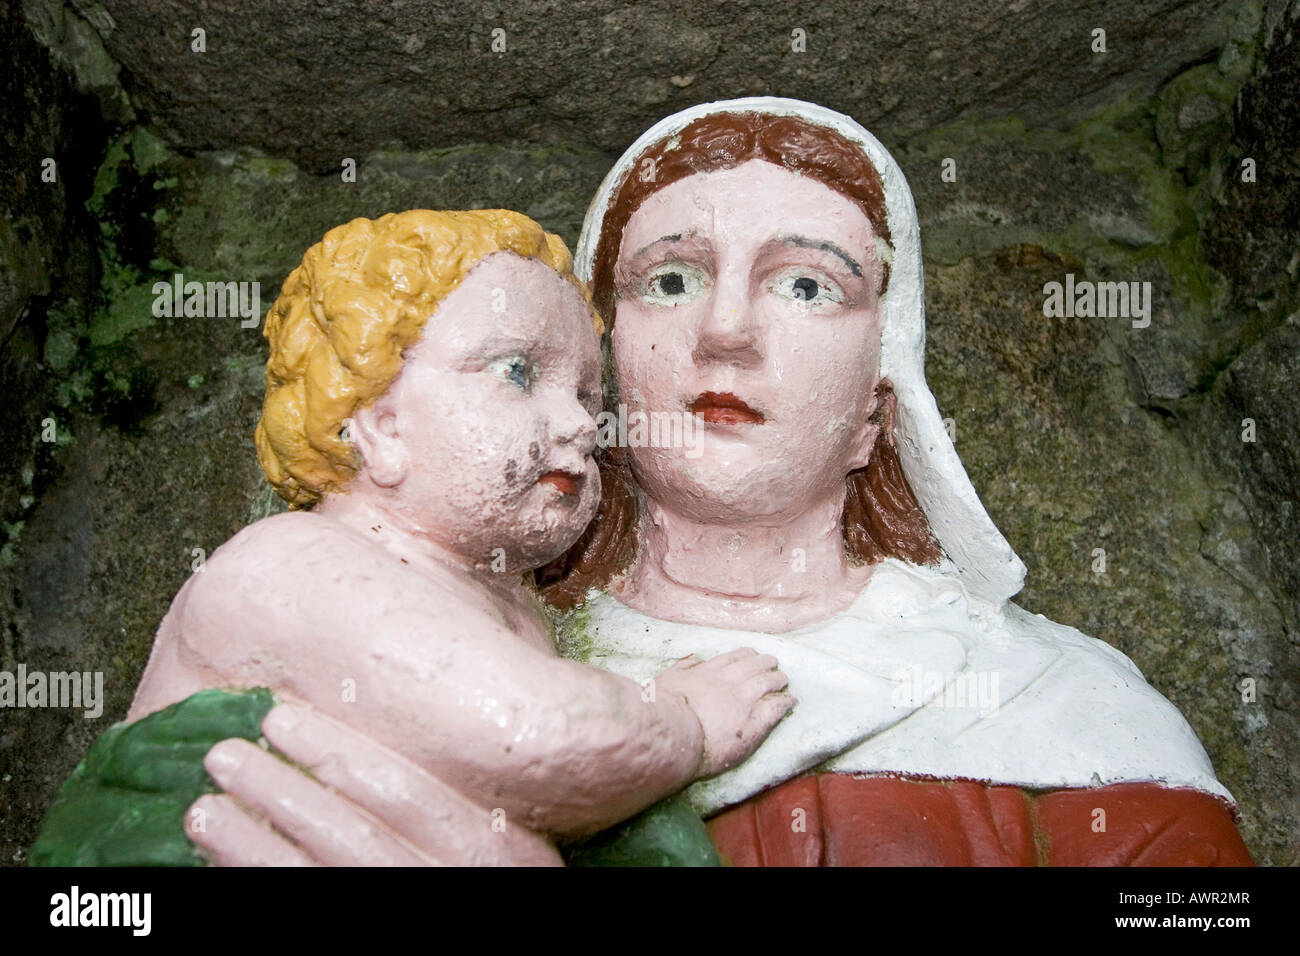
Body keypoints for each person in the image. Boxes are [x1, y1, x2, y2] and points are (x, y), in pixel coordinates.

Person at [187, 100, 1254, 866]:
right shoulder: (441, 642)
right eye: (669, 279)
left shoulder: (1063, 705)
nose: (725, 332)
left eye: (804, 284)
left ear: (879, 408)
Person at [120, 208, 792, 865]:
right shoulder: (295, 561)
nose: (582, 426)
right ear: (379, 424)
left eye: (590, 399)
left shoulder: (511, 607)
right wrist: (688, 722)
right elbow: (535, 738)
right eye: (517, 373)